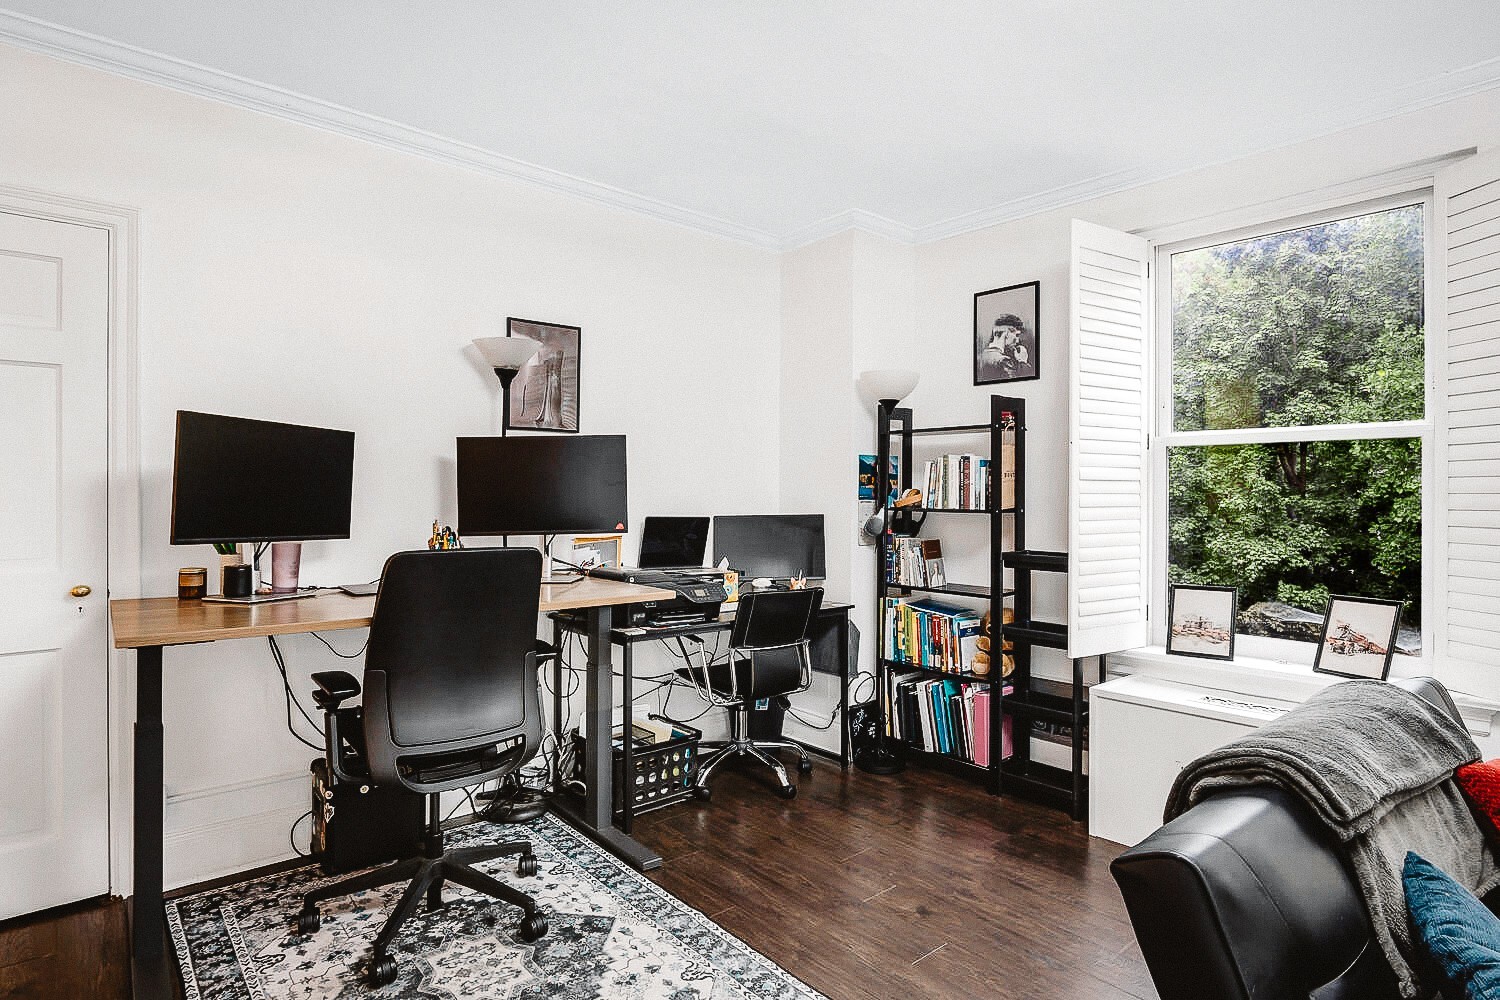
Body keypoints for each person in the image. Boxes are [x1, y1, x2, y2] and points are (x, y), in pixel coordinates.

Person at [978, 313, 1037, 380]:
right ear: (1006, 334)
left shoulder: (980, 358)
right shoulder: (1004, 361)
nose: (1017, 341)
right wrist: (1023, 362)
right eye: (1016, 335)